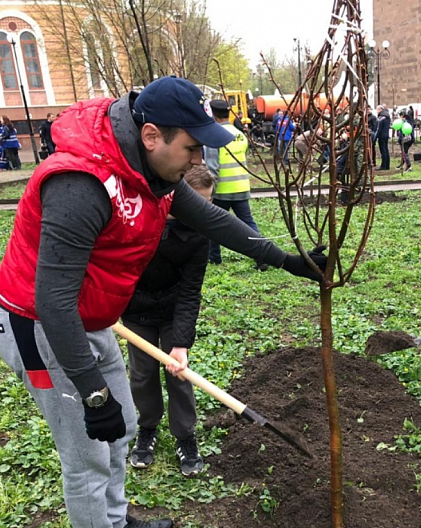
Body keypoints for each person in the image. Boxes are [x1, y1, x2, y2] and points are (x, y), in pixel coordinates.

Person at [0, 76, 326, 528]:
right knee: (88, 454)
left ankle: (114, 520)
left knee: (124, 428)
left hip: (90, 315)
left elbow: (213, 219)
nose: (199, 159)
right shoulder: (81, 184)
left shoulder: (153, 170)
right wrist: (94, 395)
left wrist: (288, 260)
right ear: (152, 135)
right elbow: (52, 301)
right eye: (192, 147)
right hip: (40, 323)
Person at [122, 165, 214, 478]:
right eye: (196, 204)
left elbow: (190, 292)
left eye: (207, 205)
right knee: (143, 373)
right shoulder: (144, 220)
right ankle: (147, 426)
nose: (202, 212)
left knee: (179, 373)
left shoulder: (200, 236)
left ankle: (185, 435)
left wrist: (181, 343)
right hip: (137, 310)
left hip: (174, 310)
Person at [205, 99, 268, 271]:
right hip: (241, 186)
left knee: (211, 225)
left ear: (213, 114)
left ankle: (214, 258)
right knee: (248, 224)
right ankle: (263, 256)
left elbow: (212, 167)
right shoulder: (239, 134)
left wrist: (209, 193)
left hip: (222, 190)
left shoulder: (213, 135)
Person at [375, 105, 391, 170]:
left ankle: (383, 165)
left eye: (377, 110)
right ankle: (387, 165)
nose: (376, 111)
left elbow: (379, 129)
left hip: (381, 136)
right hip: (386, 135)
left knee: (383, 151)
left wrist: (375, 138)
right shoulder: (387, 116)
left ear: (380, 110)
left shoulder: (381, 117)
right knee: (386, 151)